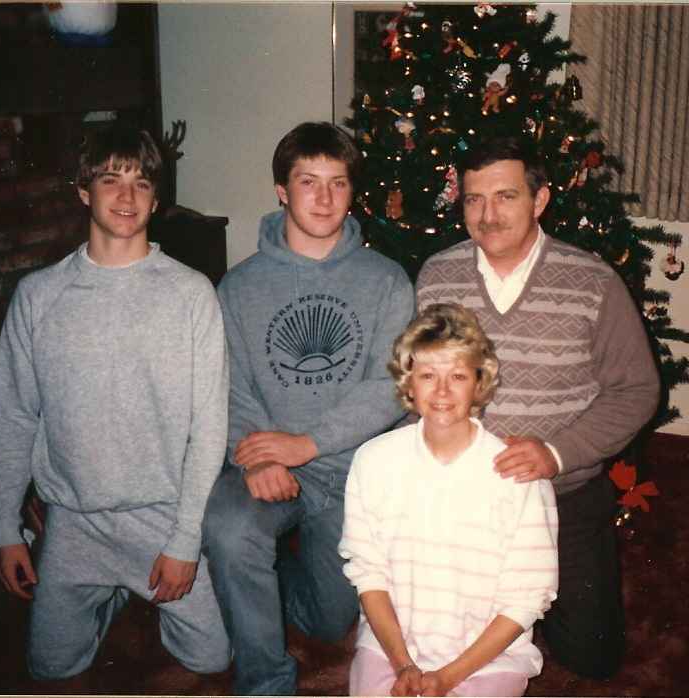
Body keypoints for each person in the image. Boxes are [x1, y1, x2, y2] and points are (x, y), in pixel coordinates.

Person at [0, 124, 230, 683]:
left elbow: (210, 425)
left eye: (142, 184)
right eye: (110, 180)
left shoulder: (192, 294)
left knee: (212, 658)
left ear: (156, 199)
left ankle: (139, 593)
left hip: (160, 516)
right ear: (82, 191)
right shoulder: (39, 296)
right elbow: (13, 416)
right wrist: (3, 528)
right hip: (73, 522)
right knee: (51, 668)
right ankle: (112, 596)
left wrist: (186, 539)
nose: (126, 197)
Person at [416, 137, 660, 680]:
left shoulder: (592, 281)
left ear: (541, 200)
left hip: (563, 493)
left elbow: (637, 390)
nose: (488, 214)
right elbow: (418, 384)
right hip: (464, 498)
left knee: (593, 657)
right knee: (440, 643)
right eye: (474, 199)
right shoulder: (438, 276)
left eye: (505, 196)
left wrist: (555, 453)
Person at [201, 121, 415, 695]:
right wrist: (253, 459)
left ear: (352, 192)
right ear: (281, 189)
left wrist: (309, 444)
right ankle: (265, 682)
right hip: (268, 463)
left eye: (338, 183)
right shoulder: (238, 287)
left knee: (327, 621)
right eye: (308, 181)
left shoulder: (388, 280)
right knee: (225, 526)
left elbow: (391, 384)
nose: (323, 198)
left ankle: (269, 583)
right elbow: (230, 385)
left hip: (352, 476)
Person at [339, 302, 559, 697]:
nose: (441, 391)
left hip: (488, 657)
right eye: (427, 375)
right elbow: (368, 571)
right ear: (409, 384)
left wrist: (448, 677)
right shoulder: (373, 460)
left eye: (457, 375)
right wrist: (403, 663)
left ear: (479, 382)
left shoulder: (516, 473)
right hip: (392, 647)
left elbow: (528, 595)